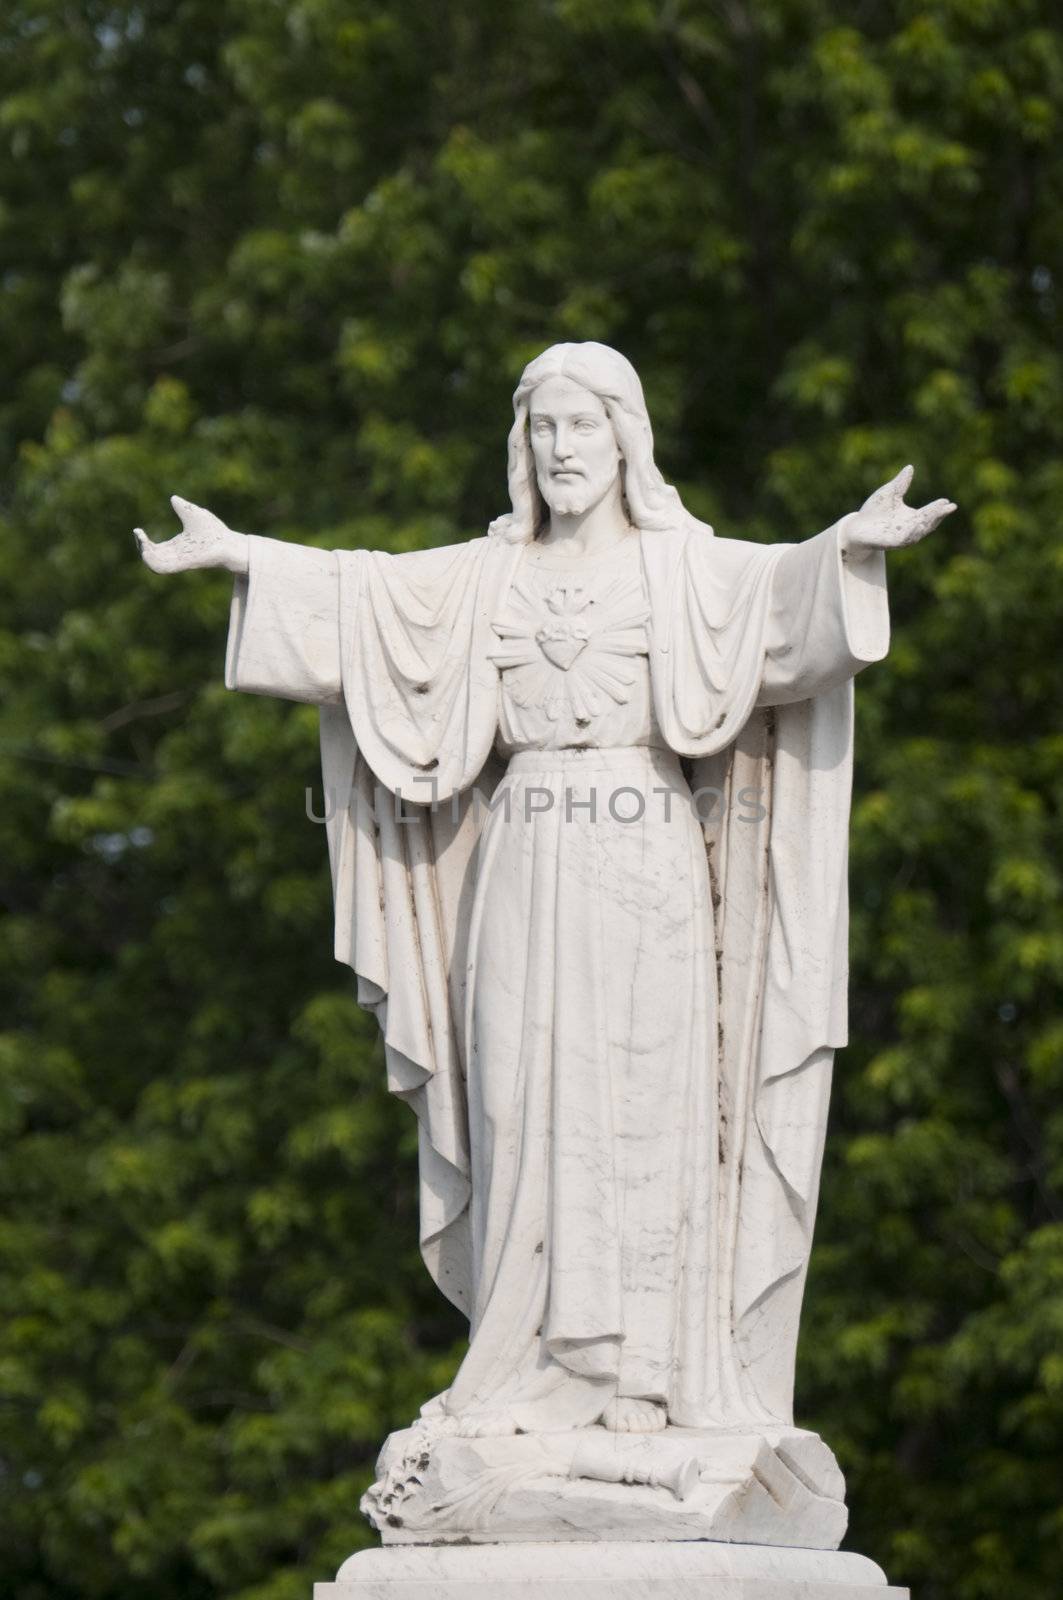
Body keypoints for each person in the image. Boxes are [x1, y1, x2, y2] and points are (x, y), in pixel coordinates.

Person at [136, 341, 954, 1442]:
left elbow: (776, 602)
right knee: (517, 1103)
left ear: (627, 436)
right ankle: (525, 1364)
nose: (563, 448)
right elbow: (367, 595)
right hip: (519, 858)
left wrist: (847, 547)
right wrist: (244, 558)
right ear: (522, 446)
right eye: (543, 428)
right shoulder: (489, 573)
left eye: (583, 424)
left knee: (645, 1105)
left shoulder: (681, 567)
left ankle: (648, 1376)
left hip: (646, 857)